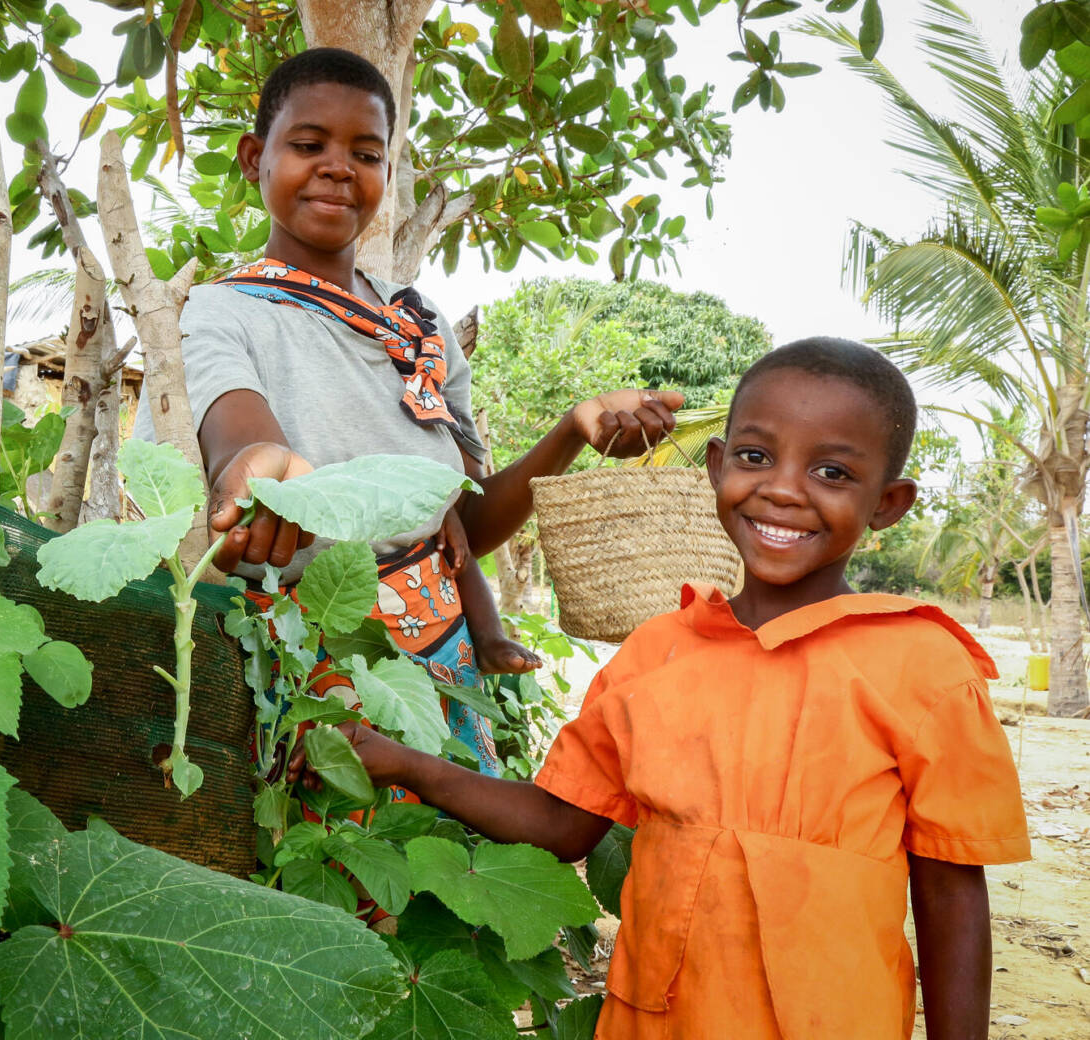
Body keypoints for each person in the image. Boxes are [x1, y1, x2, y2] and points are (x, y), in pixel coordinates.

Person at [293, 337, 1031, 1040]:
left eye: (832, 472)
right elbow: (562, 823)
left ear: (888, 503)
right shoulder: (659, 651)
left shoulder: (923, 665)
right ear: (715, 466)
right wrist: (408, 763)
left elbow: (951, 893)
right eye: (755, 456)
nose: (781, 489)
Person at [136, 45, 680, 779]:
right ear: (253, 157)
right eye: (307, 145)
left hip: (446, 659)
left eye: (366, 152)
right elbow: (238, 429)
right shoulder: (219, 312)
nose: (338, 167)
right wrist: (260, 472)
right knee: (338, 871)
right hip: (314, 669)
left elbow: (468, 526)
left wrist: (571, 428)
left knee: (444, 871)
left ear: (388, 174)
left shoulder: (418, 325)